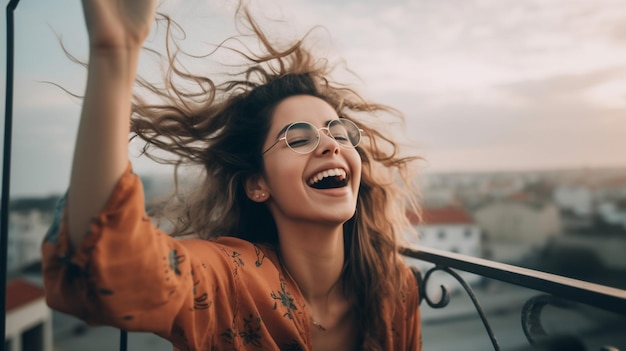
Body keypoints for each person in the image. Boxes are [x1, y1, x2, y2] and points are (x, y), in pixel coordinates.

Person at [42, 1, 423, 350]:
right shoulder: (229, 281)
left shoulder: (395, 289)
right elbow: (112, 264)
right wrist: (115, 52)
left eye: (339, 133)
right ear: (258, 185)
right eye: (298, 138)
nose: (330, 145)